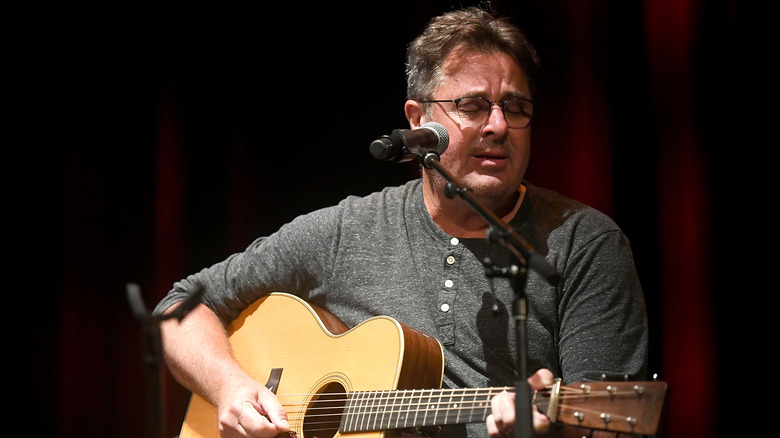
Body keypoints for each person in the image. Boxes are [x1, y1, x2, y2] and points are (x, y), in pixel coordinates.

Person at [155, 6, 648, 438]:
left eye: (515, 107)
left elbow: (608, 422)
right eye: (472, 106)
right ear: (418, 121)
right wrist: (232, 388)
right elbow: (179, 307)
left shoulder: (584, 244)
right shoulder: (347, 231)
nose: (498, 125)